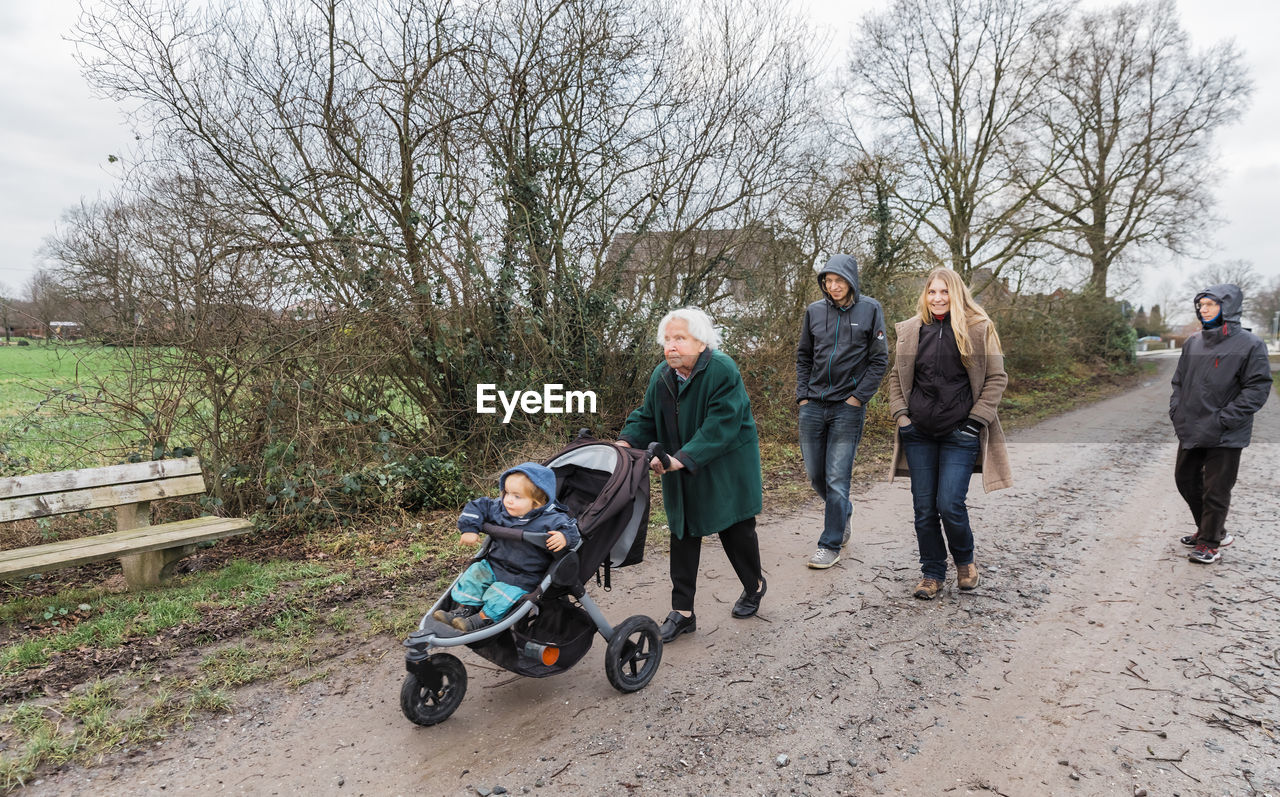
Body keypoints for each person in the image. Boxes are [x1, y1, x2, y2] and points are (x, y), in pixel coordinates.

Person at [617, 307, 766, 643]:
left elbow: (721, 426)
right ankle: (683, 612)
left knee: (736, 530)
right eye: (667, 339)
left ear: (701, 343)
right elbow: (646, 417)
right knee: (682, 531)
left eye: (679, 338)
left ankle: (753, 585)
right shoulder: (662, 375)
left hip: (726, 466)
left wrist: (679, 459)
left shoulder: (722, 370)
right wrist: (624, 442)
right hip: (680, 464)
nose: (671, 346)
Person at [886, 268, 1011, 600]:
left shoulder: (978, 329)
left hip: (961, 433)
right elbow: (896, 378)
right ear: (924, 295)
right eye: (932, 292)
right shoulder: (911, 331)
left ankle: (965, 563)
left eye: (944, 292)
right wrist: (902, 417)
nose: (938, 298)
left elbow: (997, 378)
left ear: (956, 294)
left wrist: (975, 422)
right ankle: (932, 572)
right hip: (919, 434)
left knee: (949, 504)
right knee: (924, 507)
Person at [796, 254, 888, 568]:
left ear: (851, 281)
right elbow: (804, 356)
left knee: (837, 478)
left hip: (847, 409)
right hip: (813, 406)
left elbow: (879, 360)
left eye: (839, 281)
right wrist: (803, 396)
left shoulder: (870, 309)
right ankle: (842, 510)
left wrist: (857, 398)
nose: (833, 287)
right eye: (828, 281)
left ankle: (830, 544)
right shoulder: (814, 312)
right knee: (815, 475)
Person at [1169, 284, 1271, 564]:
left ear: (1229, 308)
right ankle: (1211, 529)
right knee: (1186, 480)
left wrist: (1225, 419)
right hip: (1191, 425)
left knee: (1216, 489)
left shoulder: (1251, 344)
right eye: (1201, 305)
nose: (1203, 309)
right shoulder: (1193, 342)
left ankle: (1210, 542)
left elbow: (1258, 387)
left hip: (1227, 431)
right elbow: (1178, 381)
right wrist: (1177, 410)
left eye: (1210, 305)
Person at [434, 463, 580, 632]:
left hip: (523, 576)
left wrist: (564, 537)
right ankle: (464, 609)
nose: (508, 499)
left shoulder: (550, 519)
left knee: (500, 595)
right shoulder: (499, 509)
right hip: (494, 565)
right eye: (507, 493)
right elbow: (477, 506)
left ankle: (482, 619)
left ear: (538, 502)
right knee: (474, 574)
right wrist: (469, 528)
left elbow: (572, 530)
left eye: (517, 496)